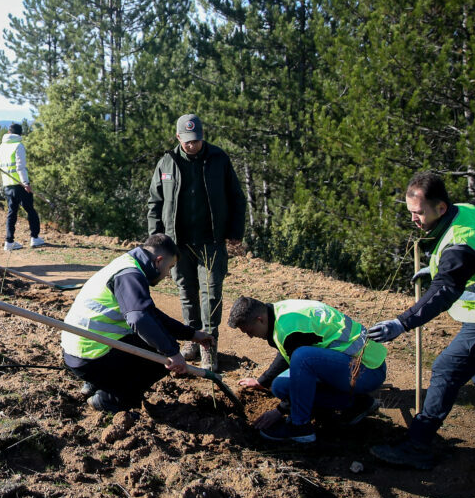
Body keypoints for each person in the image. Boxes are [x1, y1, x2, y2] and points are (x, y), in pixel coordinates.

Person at [367, 172, 475, 469]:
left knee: (446, 367)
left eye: (418, 213)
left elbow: (445, 291)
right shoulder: (465, 211)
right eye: (410, 212)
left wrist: (401, 323)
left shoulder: (463, 243)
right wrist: (437, 271)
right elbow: (458, 268)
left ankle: (417, 446)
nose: (413, 219)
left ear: (441, 208)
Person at [63, 234, 212, 412]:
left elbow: (150, 314)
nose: (168, 275)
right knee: (159, 357)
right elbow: (138, 318)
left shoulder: (126, 263)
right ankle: (108, 399)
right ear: (159, 260)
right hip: (89, 356)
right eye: (170, 267)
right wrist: (172, 352)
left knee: (156, 337)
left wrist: (192, 334)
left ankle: (95, 383)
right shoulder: (130, 275)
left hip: (79, 350)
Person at [146, 113, 246, 372]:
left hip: (211, 242)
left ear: (202, 137)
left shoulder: (219, 159)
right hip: (178, 244)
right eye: (188, 141)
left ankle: (208, 347)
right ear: (178, 138)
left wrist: (235, 231)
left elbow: (236, 197)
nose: (192, 145)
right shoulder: (167, 162)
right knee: (186, 292)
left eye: (197, 140)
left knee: (211, 294)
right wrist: (155, 242)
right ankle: (192, 340)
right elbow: (155, 203)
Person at [229, 296, 386, 443]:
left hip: (367, 370)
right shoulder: (279, 313)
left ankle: (300, 428)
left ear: (260, 319)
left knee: (303, 358)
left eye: (249, 331)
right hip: (353, 366)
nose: (250, 336)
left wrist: (279, 410)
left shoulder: (288, 328)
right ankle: (358, 403)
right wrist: (263, 381)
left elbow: (298, 356)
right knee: (281, 386)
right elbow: (286, 353)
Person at [0, 123, 44, 250]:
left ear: (8, 132)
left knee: (12, 212)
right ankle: (35, 238)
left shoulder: (0, 147)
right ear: (20, 134)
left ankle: (9, 242)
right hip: (20, 185)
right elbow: (20, 167)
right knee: (30, 210)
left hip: (7, 184)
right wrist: (26, 183)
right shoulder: (18, 145)